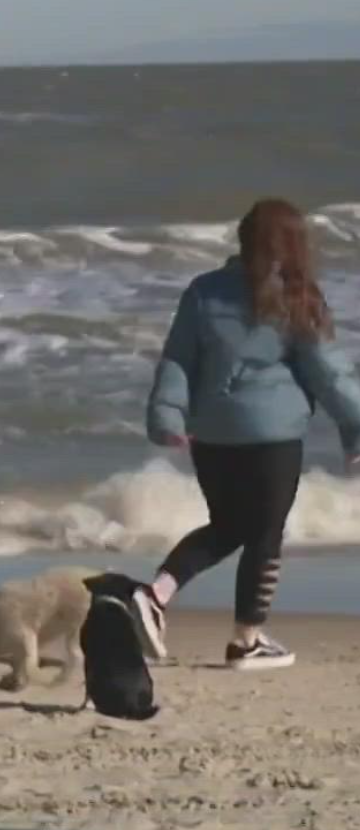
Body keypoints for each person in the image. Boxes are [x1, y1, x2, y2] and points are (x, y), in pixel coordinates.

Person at [136, 197, 360, 671]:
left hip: (212, 435)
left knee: (230, 526)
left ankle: (154, 595)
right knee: (265, 533)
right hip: (271, 435)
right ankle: (247, 640)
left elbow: (178, 359)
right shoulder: (296, 296)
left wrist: (167, 415)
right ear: (294, 246)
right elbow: (328, 375)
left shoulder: (203, 291)